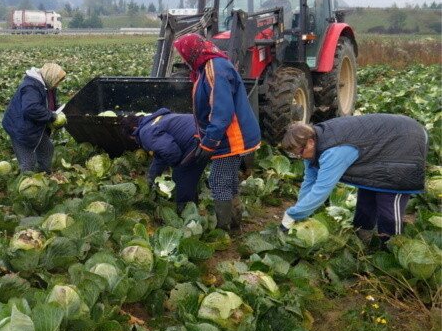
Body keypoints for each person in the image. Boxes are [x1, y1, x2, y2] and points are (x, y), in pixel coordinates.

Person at [279, 114, 427, 246]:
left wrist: (293, 214)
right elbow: (309, 182)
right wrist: (299, 210)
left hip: (406, 140)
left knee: (388, 205)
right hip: (379, 147)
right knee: (366, 196)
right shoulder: (313, 146)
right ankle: (362, 240)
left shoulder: (334, 151)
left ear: (310, 142)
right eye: (295, 156)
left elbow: (322, 189)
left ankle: (392, 249)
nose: (299, 158)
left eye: (299, 153)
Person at [172, 33, 261, 230]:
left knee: (218, 181)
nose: (182, 59)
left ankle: (224, 228)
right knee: (228, 179)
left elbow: (222, 112)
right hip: (228, 135)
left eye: (182, 54)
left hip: (231, 137)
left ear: (191, 52)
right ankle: (235, 222)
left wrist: (209, 142)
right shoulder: (205, 67)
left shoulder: (215, 69)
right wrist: (200, 135)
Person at [120, 108, 208, 215]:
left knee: (181, 175)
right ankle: (193, 206)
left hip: (197, 140)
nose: (135, 140)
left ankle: (184, 212)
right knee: (187, 175)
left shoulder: (145, 132)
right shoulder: (154, 121)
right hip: (203, 134)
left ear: (134, 129)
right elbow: (161, 155)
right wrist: (151, 176)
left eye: (133, 138)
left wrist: (174, 165)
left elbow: (171, 152)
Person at [2, 63, 66, 173]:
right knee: (28, 163)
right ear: (50, 76)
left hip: (35, 127)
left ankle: (43, 174)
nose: (58, 85)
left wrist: (58, 111)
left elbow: (51, 102)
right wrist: (51, 116)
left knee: (47, 149)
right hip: (21, 129)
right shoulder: (31, 87)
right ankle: (25, 182)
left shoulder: (48, 85)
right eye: (58, 81)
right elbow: (31, 108)